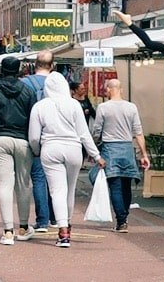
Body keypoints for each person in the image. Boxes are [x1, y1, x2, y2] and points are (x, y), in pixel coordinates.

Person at [30, 70, 103, 250]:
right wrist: (96, 155)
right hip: (73, 149)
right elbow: (84, 134)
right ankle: (67, 224)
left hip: (51, 148)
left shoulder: (40, 106)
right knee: (70, 190)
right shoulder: (74, 105)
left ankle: (63, 231)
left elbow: (33, 137)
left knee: (57, 191)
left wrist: (37, 150)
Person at [0, 58, 39, 244]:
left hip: (0, 138)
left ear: (2, 70)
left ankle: (7, 231)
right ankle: (24, 227)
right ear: (18, 70)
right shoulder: (28, 91)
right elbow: (34, 119)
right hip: (23, 140)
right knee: (23, 184)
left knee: (4, 185)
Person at [93, 85, 147, 232]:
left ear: (109, 90)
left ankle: (121, 221)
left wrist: (94, 148)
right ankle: (125, 217)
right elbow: (138, 132)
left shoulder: (103, 108)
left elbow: (97, 130)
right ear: (121, 90)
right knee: (126, 185)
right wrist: (144, 154)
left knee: (115, 187)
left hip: (110, 149)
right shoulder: (131, 107)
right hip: (127, 148)